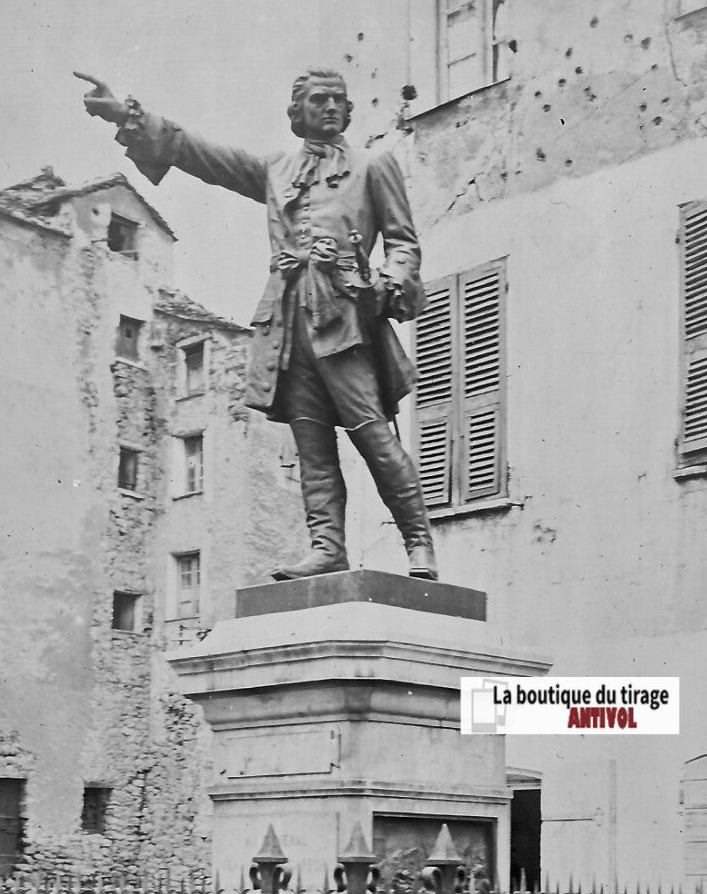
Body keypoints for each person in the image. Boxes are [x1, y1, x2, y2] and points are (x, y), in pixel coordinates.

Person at [75, 67, 438, 581]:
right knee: (312, 446)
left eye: (338, 99)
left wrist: (383, 285)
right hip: (287, 324)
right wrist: (128, 117)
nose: (331, 107)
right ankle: (327, 547)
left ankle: (418, 543)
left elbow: (403, 244)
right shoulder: (276, 169)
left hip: (345, 319)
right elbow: (201, 154)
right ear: (297, 112)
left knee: (374, 437)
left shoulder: (373, 166)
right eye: (319, 99)